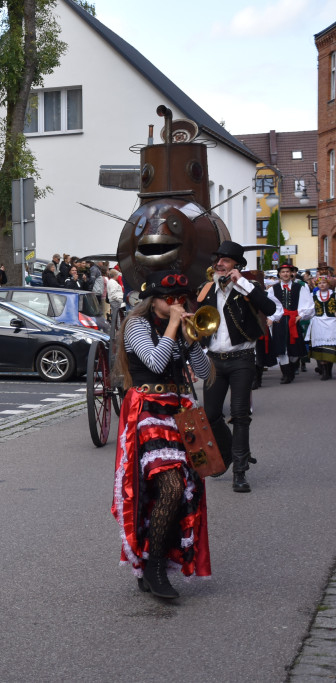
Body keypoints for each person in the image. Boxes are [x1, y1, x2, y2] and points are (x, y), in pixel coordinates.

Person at [111, 270, 213, 600]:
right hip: (146, 410)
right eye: (168, 300)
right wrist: (172, 327)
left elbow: (205, 373)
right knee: (168, 484)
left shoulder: (180, 327)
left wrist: (190, 338)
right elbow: (154, 364)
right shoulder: (136, 325)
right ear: (152, 301)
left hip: (178, 411)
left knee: (184, 489)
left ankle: (154, 562)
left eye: (179, 300)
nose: (175, 305)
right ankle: (153, 567)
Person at [197, 241, 276, 493]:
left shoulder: (248, 288)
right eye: (217, 260)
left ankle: (240, 472)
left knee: (241, 416)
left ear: (236, 265)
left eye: (225, 261)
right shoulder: (208, 289)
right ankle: (231, 452)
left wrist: (241, 282)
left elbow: (270, 308)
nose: (219, 264)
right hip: (214, 360)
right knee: (210, 415)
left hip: (242, 359)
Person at [267, 263, 314, 384]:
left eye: (288, 271)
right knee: (282, 348)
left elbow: (308, 304)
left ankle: (292, 368)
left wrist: (301, 315)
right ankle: (286, 374)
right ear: (279, 274)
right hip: (280, 321)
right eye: (283, 272)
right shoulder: (273, 289)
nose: (286, 274)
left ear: (292, 273)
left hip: (293, 321)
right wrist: (272, 317)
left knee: (295, 350)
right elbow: (269, 305)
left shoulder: (300, 288)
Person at [307, 275, 336, 380]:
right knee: (321, 348)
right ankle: (324, 372)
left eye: (324, 283)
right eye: (319, 283)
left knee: (330, 349)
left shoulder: (334, 295)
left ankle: (328, 371)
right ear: (316, 285)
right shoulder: (313, 296)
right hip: (318, 323)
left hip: (332, 323)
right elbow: (309, 310)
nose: (322, 285)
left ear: (329, 284)